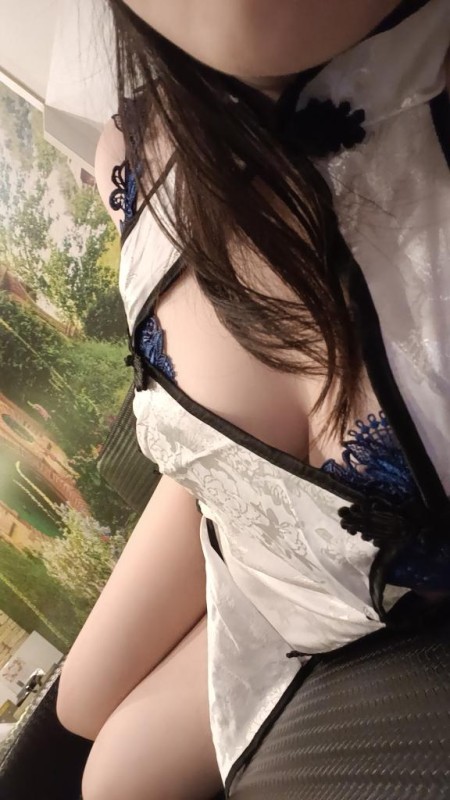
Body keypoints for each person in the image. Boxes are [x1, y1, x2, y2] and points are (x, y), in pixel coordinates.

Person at [56, 1, 450, 798]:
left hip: (344, 582)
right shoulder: (129, 155)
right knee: (77, 709)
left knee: (114, 780)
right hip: (231, 501)